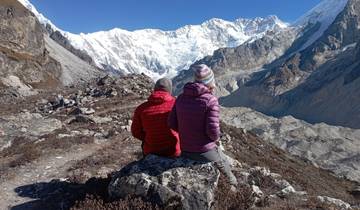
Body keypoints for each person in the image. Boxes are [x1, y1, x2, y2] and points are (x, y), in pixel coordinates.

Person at [168, 64, 238, 187]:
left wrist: (187, 133)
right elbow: (213, 132)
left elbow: (172, 123)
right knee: (229, 175)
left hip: (185, 149)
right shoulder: (211, 100)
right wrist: (215, 139)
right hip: (204, 150)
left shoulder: (180, 98)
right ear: (210, 82)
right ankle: (236, 191)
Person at [131, 78, 181, 157]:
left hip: (151, 152)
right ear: (170, 90)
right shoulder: (177, 105)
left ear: (154, 89)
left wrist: (149, 138)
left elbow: (136, 132)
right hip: (174, 151)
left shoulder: (141, 108)